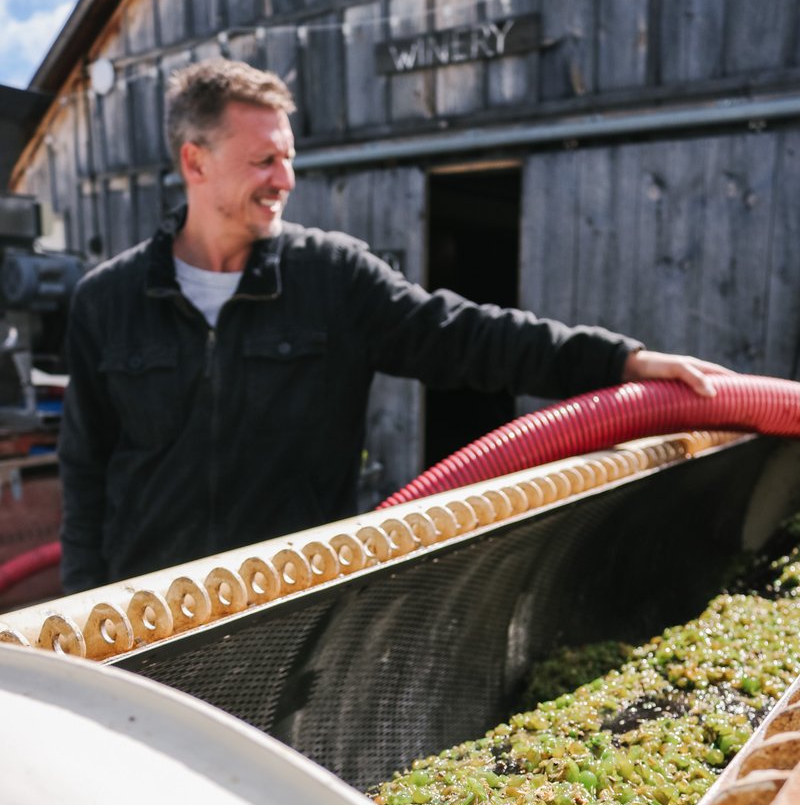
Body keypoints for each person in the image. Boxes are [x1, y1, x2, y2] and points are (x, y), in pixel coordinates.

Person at [59, 59, 732, 595]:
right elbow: (85, 472)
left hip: (289, 607)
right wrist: (83, 603)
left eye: (289, 157)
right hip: (146, 610)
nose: (286, 179)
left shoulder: (332, 277)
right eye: (264, 160)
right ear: (195, 162)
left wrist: (620, 361)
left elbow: (468, 335)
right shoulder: (107, 302)